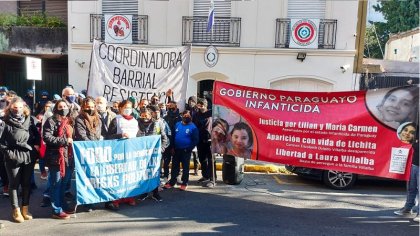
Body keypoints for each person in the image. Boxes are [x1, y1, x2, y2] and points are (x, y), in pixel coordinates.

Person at [0, 97, 35, 223]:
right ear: (10, 108)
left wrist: (34, 150)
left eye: (20, 107)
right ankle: (16, 211)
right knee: (13, 184)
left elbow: (36, 136)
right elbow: (1, 143)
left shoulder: (30, 120)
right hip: (13, 157)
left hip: (28, 156)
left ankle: (25, 208)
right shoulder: (4, 122)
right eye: (15, 107)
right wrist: (9, 154)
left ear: (24, 108)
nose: (18, 110)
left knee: (26, 184)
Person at [43, 99, 74, 219]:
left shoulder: (69, 121)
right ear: (56, 109)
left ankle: (62, 205)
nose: (63, 109)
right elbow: (47, 137)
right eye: (60, 107)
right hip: (56, 157)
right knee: (56, 183)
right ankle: (56, 209)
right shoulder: (51, 121)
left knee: (64, 183)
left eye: (65, 106)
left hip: (69, 157)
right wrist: (65, 141)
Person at [105, 100, 138, 210]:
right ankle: (116, 198)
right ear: (120, 108)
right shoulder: (116, 120)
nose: (128, 109)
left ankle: (129, 196)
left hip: (131, 151)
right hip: (118, 152)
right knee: (119, 175)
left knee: (130, 174)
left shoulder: (135, 121)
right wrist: (120, 135)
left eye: (130, 107)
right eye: (125, 107)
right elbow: (109, 136)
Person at [74, 97, 102, 212]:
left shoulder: (98, 118)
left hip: (97, 150)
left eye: (91, 107)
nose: (89, 109)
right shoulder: (79, 119)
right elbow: (82, 135)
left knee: (96, 177)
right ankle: (87, 202)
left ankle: (95, 198)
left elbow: (100, 133)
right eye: (87, 107)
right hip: (85, 151)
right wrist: (91, 146)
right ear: (83, 107)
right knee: (86, 177)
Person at [137, 108, 169, 202]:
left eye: (146, 115)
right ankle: (144, 193)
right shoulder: (137, 124)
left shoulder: (157, 124)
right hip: (142, 154)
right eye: (142, 115)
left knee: (155, 173)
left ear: (151, 115)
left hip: (155, 155)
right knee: (143, 173)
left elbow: (164, 138)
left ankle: (155, 193)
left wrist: (162, 149)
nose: (144, 117)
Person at [164, 110, 199, 191]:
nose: (186, 117)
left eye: (188, 116)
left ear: (191, 117)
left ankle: (184, 182)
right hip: (176, 150)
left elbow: (195, 140)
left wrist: (189, 149)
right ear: (182, 116)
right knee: (174, 166)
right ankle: (172, 182)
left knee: (185, 167)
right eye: (185, 115)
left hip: (186, 150)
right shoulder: (177, 124)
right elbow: (173, 136)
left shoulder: (193, 127)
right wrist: (172, 147)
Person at [394, 124, 419, 222]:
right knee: (411, 188)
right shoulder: (416, 126)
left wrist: (415, 143)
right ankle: (407, 208)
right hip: (414, 164)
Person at [193, 98, 214, 187]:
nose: (200, 107)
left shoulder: (211, 113)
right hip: (200, 140)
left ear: (206, 106)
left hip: (209, 140)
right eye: (199, 105)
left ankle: (212, 179)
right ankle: (205, 176)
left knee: (211, 160)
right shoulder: (196, 115)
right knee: (202, 159)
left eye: (202, 105)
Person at [162, 101, 182, 182]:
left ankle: (177, 176)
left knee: (177, 160)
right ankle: (166, 176)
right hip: (167, 142)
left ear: (176, 107)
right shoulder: (165, 118)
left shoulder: (180, 118)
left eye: (172, 106)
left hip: (177, 142)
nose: (170, 108)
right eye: (169, 106)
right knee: (166, 161)